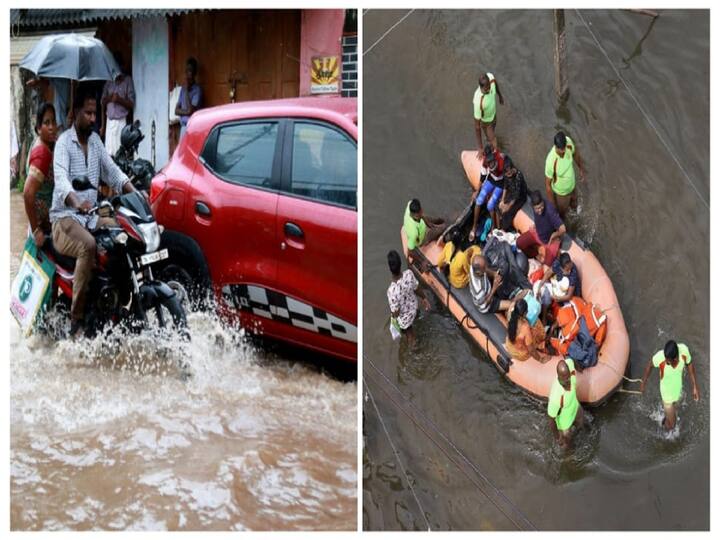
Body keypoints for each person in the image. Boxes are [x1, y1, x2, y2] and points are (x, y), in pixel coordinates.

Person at [50, 84, 141, 338]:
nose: (93, 118)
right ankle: (76, 321)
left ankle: (119, 301)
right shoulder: (63, 144)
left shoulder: (96, 141)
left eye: (94, 114)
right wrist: (75, 201)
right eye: (88, 113)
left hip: (91, 215)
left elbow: (112, 172)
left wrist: (135, 193)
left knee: (123, 232)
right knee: (88, 246)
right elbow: (61, 180)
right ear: (76, 112)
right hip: (64, 217)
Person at [640, 340, 699, 431]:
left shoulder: (684, 351)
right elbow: (649, 366)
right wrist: (643, 383)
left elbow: (690, 364)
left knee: (675, 410)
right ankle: (665, 427)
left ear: (675, 359)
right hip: (666, 395)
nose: (666, 362)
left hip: (677, 389)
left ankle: (666, 418)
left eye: (668, 362)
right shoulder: (660, 357)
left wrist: (695, 386)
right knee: (672, 425)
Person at [23, 102, 57, 247]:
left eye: (53, 122)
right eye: (46, 123)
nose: (51, 127)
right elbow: (28, 193)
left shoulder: (37, 144)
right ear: (38, 128)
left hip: (40, 223)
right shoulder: (42, 153)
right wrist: (37, 230)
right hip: (41, 228)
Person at [387, 250, 430, 346]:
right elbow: (417, 288)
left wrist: (392, 314)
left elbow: (396, 312)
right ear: (400, 264)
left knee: (410, 337)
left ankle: (416, 351)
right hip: (414, 308)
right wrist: (424, 298)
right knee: (416, 317)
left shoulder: (391, 291)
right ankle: (417, 319)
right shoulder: (409, 274)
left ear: (390, 268)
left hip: (405, 320)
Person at [516, 190, 566, 266]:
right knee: (519, 243)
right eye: (537, 208)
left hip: (550, 240)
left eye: (541, 206)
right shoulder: (533, 206)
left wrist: (554, 235)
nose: (540, 210)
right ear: (532, 206)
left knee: (548, 263)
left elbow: (563, 229)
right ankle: (536, 254)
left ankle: (542, 251)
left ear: (543, 201)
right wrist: (535, 225)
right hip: (538, 233)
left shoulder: (550, 211)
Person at [101, 51, 136, 156]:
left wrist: (119, 100)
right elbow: (102, 102)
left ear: (121, 66)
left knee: (121, 154)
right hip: (109, 122)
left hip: (121, 122)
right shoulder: (109, 81)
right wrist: (109, 98)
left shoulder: (127, 81)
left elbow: (131, 104)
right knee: (109, 154)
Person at [544, 131, 586, 218]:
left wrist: (581, 169)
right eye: (561, 149)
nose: (563, 150)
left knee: (575, 204)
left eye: (564, 148)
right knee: (562, 214)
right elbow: (548, 186)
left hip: (572, 186)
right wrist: (553, 207)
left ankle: (576, 218)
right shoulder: (551, 161)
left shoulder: (568, 143)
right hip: (561, 193)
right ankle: (564, 227)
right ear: (556, 146)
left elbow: (575, 154)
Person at [469, 145, 505, 241]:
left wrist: (504, 197)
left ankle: (493, 227)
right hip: (491, 180)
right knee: (479, 200)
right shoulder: (486, 162)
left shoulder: (501, 163)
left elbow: (508, 180)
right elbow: (483, 176)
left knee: (490, 205)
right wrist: (477, 190)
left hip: (500, 184)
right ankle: (474, 227)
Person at [547, 358, 584, 448]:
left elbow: (571, 360)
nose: (567, 384)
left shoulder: (569, 365)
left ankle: (581, 432)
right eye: (564, 381)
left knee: (582, 425)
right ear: (559, 377)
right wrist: (557, 437)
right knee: (568, 443)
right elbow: (551, 420)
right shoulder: (556, 396)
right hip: (565, 423)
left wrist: (579, 368)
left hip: (575, 407)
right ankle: (569, 458)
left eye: (568, 380)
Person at [404, 198, 445, 271]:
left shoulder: (410, 205)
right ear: (416, 215)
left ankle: (439, 221)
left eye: (421, 210)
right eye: (420, 212)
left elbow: (421, 215)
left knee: (437, 220)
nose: (422, 211)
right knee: (442, 228)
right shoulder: (414, 233)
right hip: (422, 238)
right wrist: (422, 261)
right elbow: (410, 251)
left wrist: (427, 222)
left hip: (421, 223)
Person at [473, 72, 504, 153]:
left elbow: (495, 83)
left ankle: (489, 139)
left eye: (489, 85)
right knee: (494, 142)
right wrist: (480, 147)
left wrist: (500, 95)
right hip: (486, 123)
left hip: (493, 115)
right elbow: (477, 126)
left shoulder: (491, 79)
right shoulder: (478, 101)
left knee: (492, 132)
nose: (490, 88)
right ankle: (496, 154)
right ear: (482, 87)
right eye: (487, 87)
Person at [497, 156, 527, 231]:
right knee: (498, 205)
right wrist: (503, 200)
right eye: (507, 173)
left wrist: (508, 206)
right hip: (511, 192)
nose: (508, 174)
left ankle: (505, 229)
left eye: (509, 172)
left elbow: (517, 195)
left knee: (508, 212)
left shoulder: (518, 176)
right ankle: (498, 226)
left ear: (512, 168)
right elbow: (505, 185)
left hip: (520, 197)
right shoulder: (506, 174)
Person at [175, 57, 203, 140]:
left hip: (192, 127)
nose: (187, 74)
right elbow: (176, 111)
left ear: (194, 73)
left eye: (190, 71)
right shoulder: (182, 90)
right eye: (186, 71)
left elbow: (191, 110)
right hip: (183, 127)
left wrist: (187, 91)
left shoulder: (197, 90)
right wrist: (186, 112)